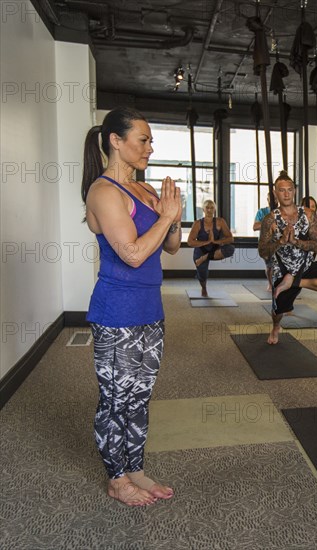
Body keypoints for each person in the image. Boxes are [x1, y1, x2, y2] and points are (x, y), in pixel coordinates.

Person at [82, 107, 181, 505]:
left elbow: (171, 246)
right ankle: (116, 479)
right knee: (115, 400)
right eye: (143, 140)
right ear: (116, 141)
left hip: (149, 309)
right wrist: (165, 218)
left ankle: (135, 469)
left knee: (139, 396)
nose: (150, 148)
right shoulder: (104, 192)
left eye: (151, 140)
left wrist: (173, 219)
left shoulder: (147, 190)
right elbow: (134, 255)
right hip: (116, 312)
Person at [259, 171, 317, 344]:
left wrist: (296, 241)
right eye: (281, 190)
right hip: (282, 268)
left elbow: (315, 245)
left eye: (289, 190)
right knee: (278, 311)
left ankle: (294, 281)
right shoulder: (270, 220)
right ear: (276, 193)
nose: (286, 194)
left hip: (305, 265)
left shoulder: (308, 215)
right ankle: (276, 327)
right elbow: (263, 251)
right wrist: (282, 241)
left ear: (294, 191)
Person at [187, 199, 235, 297]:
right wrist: (207, 242)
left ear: (214, 210)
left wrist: (215, 242)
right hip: (201, 250)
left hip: (215, 249)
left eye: (212, 208)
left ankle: (206, 257)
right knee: (202, 275)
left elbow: (230, 239)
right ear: (203, 210)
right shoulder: (197, 224)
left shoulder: (220, 222)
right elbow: (190, 242)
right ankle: (204, 288)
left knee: (230, 249)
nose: (209, 210)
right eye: (207, 208)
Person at [253, 193, 276, 291]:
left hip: (279, 243)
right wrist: (268, 223)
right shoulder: (261, 212)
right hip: (266, 244)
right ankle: (270, 284)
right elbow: (255, 227)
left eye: (275, 198)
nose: (273, 200)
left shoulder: (282, 211)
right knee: (269, 267)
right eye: (271, 198)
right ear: (267, 199)